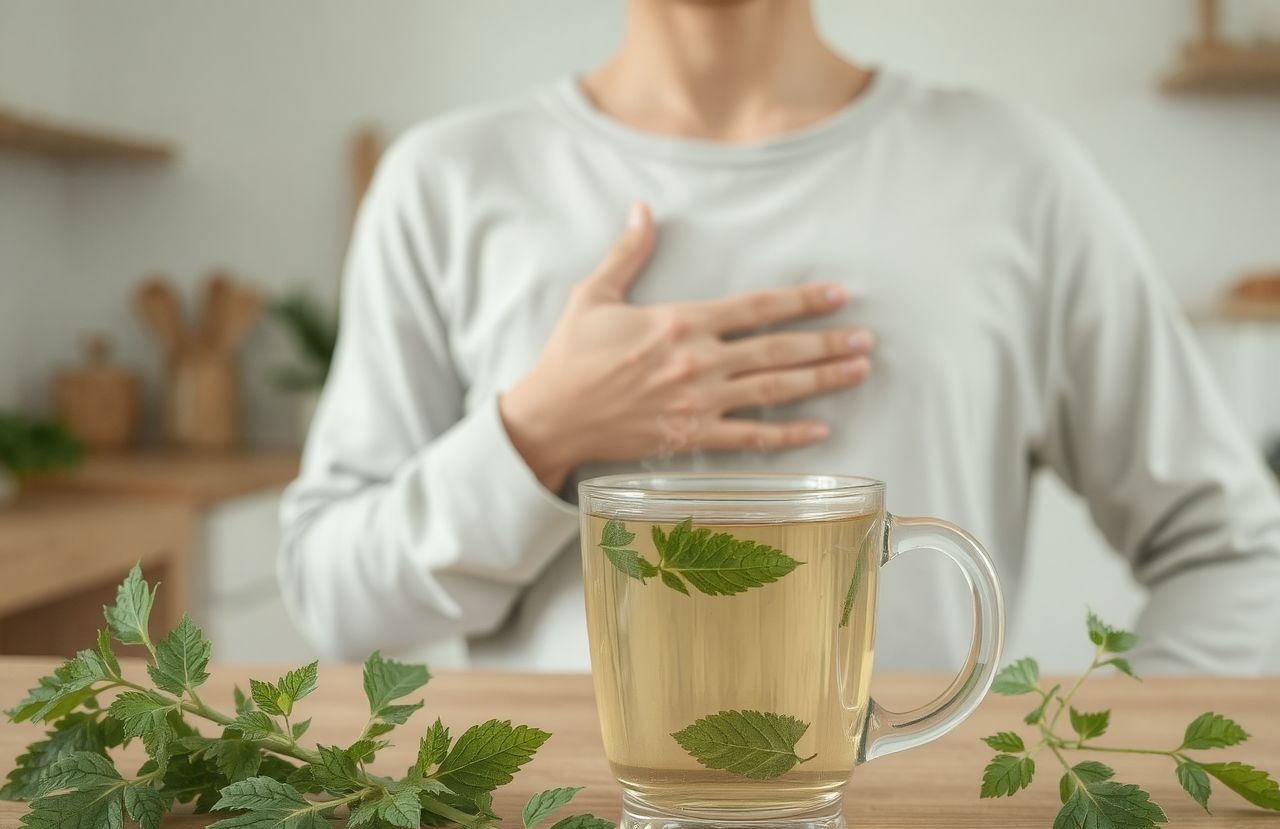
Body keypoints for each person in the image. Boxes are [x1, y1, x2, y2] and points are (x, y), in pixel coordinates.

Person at [278, 0, 1280, 673]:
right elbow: (335, 599)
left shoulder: (1017, 174)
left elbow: (1236, 556)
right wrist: (537, 432)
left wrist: (1097, 763)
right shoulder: (444, 180)